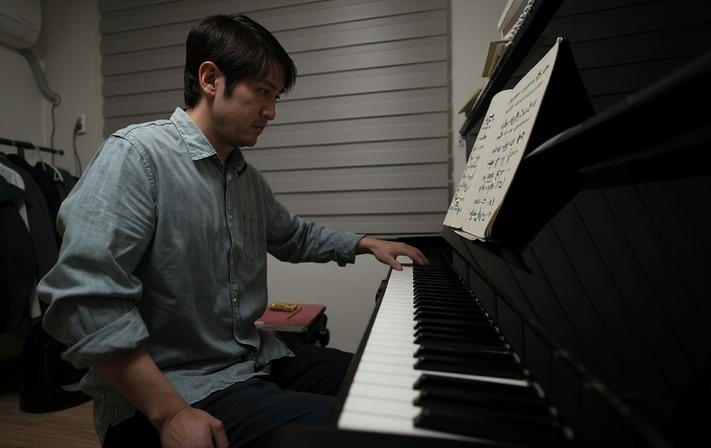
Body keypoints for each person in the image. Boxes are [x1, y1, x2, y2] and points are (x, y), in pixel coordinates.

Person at [38, 13, 427, 448]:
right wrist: (170, 413)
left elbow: (293, 236)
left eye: (276, 96)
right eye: (262, 92)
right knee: (375, 431)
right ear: (210, 78)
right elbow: (82, 297)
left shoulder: (244, 178)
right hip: (176, 390)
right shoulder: (136, 157)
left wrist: (363, 243)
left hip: (252, 357)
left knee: (393, 384)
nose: (271, 112)